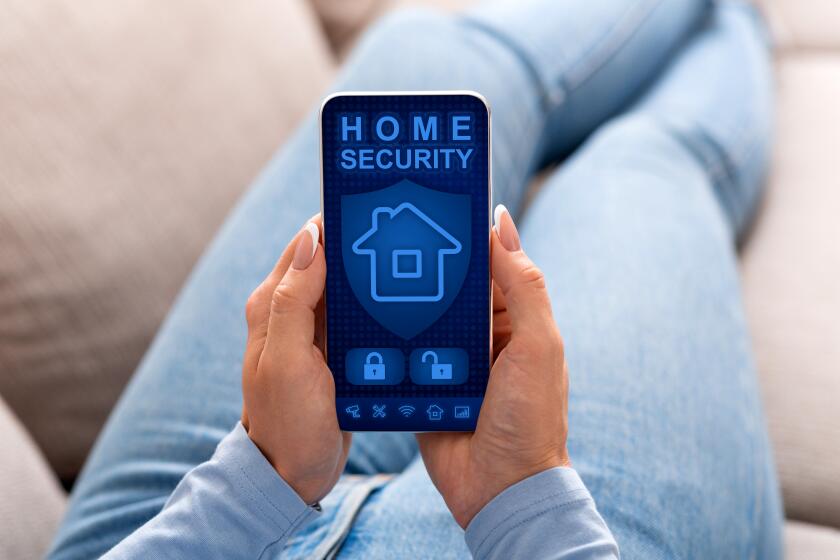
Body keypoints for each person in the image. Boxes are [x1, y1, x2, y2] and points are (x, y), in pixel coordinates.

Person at [48, 0, 782, 558]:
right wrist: (528, 507)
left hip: (170, 527)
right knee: (638, 170)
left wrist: (262, 477)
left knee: (430, 57)